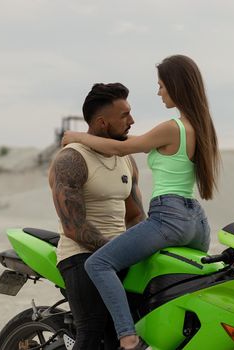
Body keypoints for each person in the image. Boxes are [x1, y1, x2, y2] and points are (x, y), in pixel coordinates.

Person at [62, 54, 221, 350]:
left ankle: (128, 337)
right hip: (196, 221)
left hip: (169, 216)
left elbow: (123, 148)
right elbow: (132, 142)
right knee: (180, 283)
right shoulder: (199, 126)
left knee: (99, 264)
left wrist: (76, 137)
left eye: (161, 85)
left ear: (175, 85)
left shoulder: (172, 126)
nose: (159, 92)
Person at [49, 82, 146, 350]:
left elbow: (136, 214)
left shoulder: (125, 159)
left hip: (117, 252)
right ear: (103, 123)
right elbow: (74, 226)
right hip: (80, 254)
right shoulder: (71, 159)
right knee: (91, 332)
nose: (132, 121)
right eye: (124, 116)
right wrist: (116, 253)